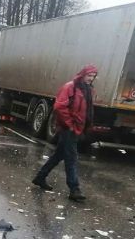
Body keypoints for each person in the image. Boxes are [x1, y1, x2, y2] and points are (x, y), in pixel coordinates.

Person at [32, 64, 98, 201]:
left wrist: (85, 127)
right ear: (82, 74)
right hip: (69, 129)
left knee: (59, 155)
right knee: (71, 158)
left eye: (93, 76)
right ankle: (75, 189)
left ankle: (40, 177)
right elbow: (59, 107)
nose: (91, 78)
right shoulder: (70, 87)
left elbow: (87, 110)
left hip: (77, 129)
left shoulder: (89, 90)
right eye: (89, 75)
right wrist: (70, 125)